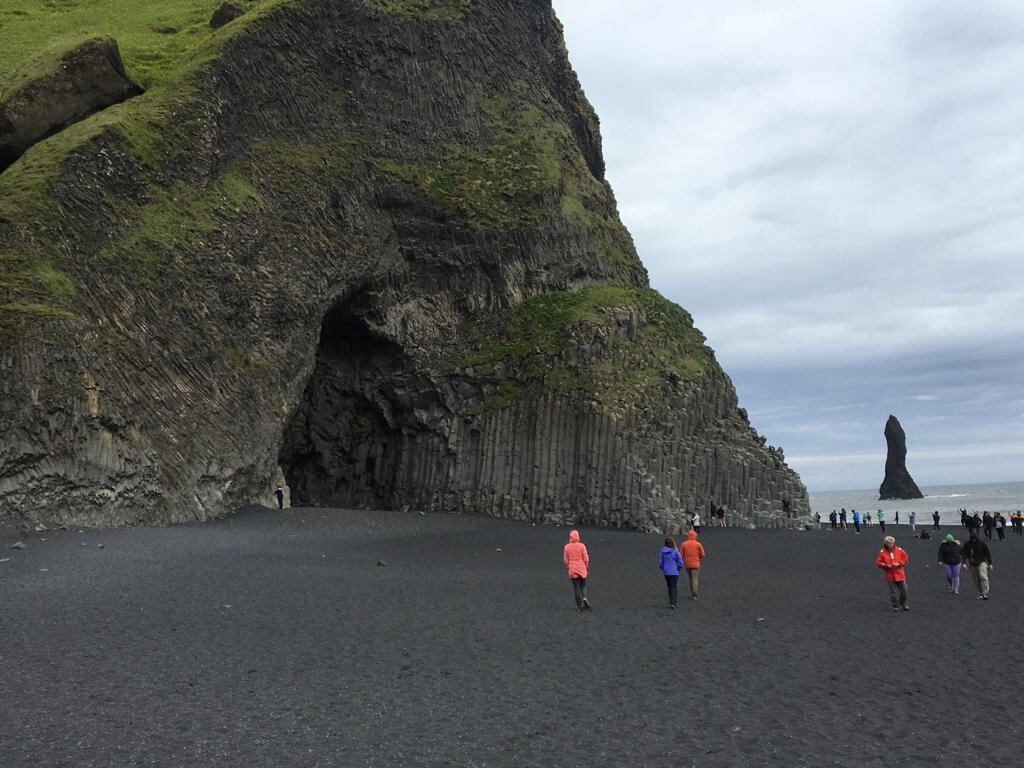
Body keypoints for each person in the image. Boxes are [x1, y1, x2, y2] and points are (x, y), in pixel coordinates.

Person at [876, 536, 910, 611]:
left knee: (904, 590)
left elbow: (906, 558)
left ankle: (903, 603)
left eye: (892, 543)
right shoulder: (882, 552)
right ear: (886, 544)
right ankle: (895, 605)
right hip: (890, 575)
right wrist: (886, 565)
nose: (890, 544)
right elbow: (879, 562)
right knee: (893, 592)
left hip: (900, 574)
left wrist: (899, 564)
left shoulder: (900, 550)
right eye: (889, 543)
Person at [563, 530, 591, 611]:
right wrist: (586, 566)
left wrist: (568, 567)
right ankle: (585, 598)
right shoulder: (582, 546)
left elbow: (565, 560)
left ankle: (579, 606)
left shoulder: (567, 547)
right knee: (583, 585)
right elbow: (586, 558)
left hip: (573, 570)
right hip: (582, 569)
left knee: (576, 588)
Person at [961, 532, 993, 600]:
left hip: (981, 562)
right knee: (976, 579)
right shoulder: (967, 544)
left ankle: (986, 593)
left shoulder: (982, 544)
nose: (974, 540)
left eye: (975, 539)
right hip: (972, 564)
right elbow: (964, 553)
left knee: (983, 576)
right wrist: (963, 563)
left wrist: (990, 564)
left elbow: (987, 554)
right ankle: (981, 593)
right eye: (972, 539)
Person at [658, 537, 685, 609]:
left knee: (669, 586)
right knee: (674, 587)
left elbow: (660, 563)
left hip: (666, 572)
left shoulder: (662, 551)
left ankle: (671, 602)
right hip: (674, 572)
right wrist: (678, 568)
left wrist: (663, 568)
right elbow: (680, 562)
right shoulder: (675, 551)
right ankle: (673, 603)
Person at [679, 530, 705, 600]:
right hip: (696, 564)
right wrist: (698, 557)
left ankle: (692, 593)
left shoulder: (684, 544)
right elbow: (702, 554)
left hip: (687, 564)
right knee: (695, 579)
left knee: (690, 579)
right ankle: (695, 594)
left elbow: (680, 555)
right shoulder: (698, 544)